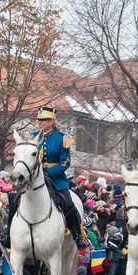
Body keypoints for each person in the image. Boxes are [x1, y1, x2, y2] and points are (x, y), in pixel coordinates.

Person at [31, 106, 86, 248]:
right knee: (16, 200)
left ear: (52, 121)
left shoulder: (63, 139)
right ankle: (9, 235)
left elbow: (65, 162)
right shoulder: (32, 137)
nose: (40, 122)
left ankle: (77, 235)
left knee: (68, 203)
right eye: (39, 120)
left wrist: (50, 171)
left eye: (43, 120)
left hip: (56, 180)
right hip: (35, 179)